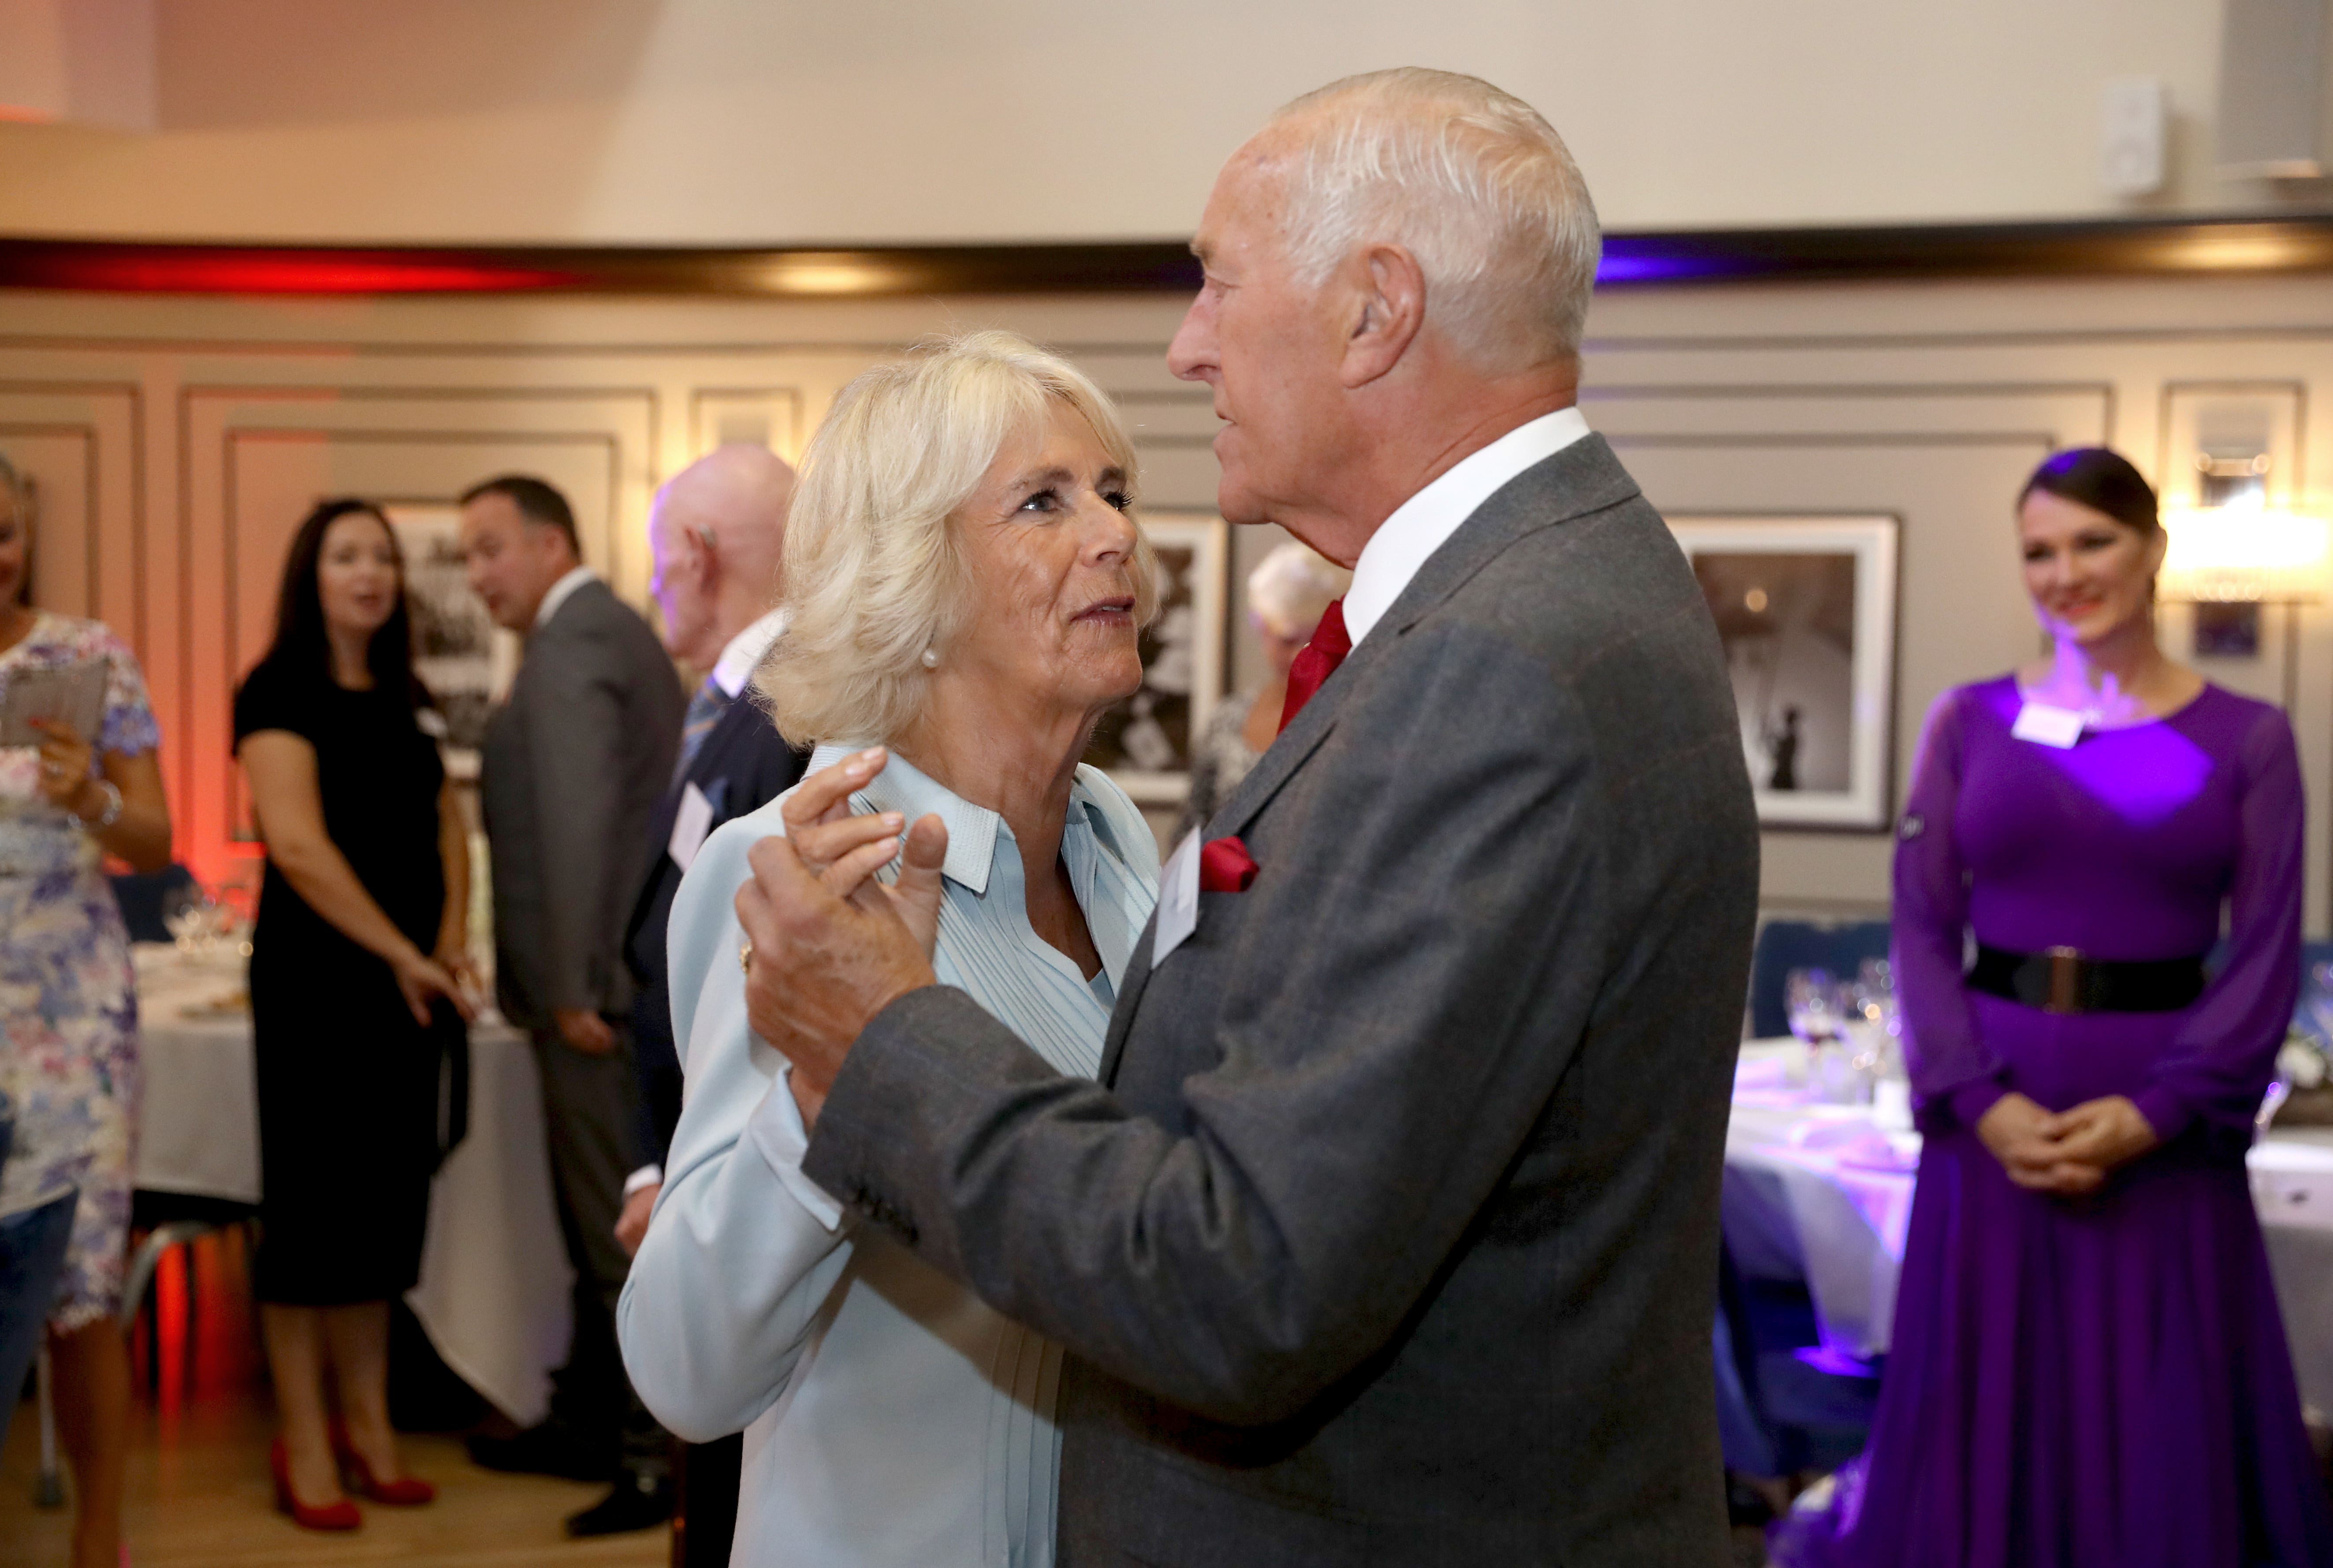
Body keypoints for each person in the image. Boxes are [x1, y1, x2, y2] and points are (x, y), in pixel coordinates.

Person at [728, 69, 1760, 1565]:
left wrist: (881, 1037)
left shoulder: (1492, 668)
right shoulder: (1542, 594)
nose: (1185, 345)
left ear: (1373, 310)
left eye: (1215, 283)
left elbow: (1246, 1278)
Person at [617, 331, 1161, 1566]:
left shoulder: (1114, 837)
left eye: (1112, 490)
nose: (1115, 532)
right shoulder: (801, 873)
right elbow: (686, 1366)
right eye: (1043, 501)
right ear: (911, 588)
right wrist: (831, 1088)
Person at [1771, 448, 2333, 1568]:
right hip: (1996, 1116)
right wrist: (1977, 1099)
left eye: (2093, 541)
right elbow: (1921, 925)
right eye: (2039, 549)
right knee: (1983, 1394)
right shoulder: (1966, 722)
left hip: (2162, 1121)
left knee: (2155, 1398)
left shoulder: (2250, 738)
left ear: (2153, 551)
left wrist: (2164, 1111)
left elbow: (2265, 951)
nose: (2064, 571)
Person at [235, 498, 474, 1531]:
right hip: (319, 989)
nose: (369, 573)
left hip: (408, 988)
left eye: (381, 557)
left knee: (380, 1213)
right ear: (312, 576)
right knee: (311, 1221)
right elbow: (295, 847)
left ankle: (370, 1431)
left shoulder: (407, 694)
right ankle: (304, 1442)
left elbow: (447, 826)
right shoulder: (276, 690)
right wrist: (402, 957)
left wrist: (451, 942)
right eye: (346, 557)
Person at [459, 474, 683, 1534]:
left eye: (490, 549)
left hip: (592, 1001)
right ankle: (596, 1423)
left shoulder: (575, 642)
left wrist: (581, 985)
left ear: (551, 545)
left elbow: (586, 822)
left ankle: (646, 1461)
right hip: (590, 988)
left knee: (614, 1231)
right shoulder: (596, 632)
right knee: (597, 1222)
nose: (476, 576)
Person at [605, 443, 808, 1548]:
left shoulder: (792, 713)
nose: (650, 590)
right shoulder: (738, 705)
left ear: (693, 551)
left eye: (653, 562)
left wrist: (682, 1163)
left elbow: (757, 970)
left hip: (732, 1167)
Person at [0, 436, 173, 1568]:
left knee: (82, 1283)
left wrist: (90, 790)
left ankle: (100, 1542)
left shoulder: (87, 655)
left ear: (27, 533)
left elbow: (157, 842)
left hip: (73, 1010)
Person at [1174, 539, 1350, 846]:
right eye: (1287, 640)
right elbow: (1191, 829)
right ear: (1261, 629)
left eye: (1317, 639)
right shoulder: (1229, 718)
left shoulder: (1362, 712)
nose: (1303, 654)